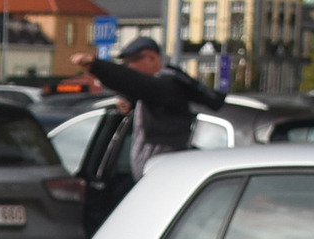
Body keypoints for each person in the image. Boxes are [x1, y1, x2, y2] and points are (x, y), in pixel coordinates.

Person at [85, 37, 227, 176]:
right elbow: (140, 91)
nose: (131, 66)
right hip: (155, 169)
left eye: (134, 60)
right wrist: (127, 100)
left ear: (152, 58)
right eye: (127, 63)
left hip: (163, 168)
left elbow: (131, 81)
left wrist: (96, 65)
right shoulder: (157, 89)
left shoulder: (167, 84)